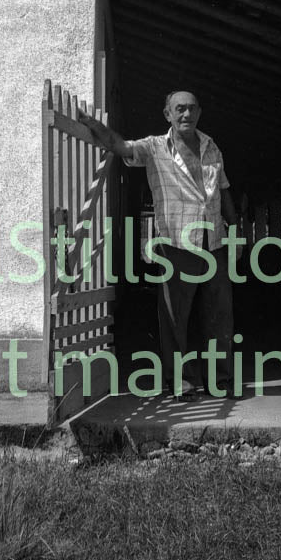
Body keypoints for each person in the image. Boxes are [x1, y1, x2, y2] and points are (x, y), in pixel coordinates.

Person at [78, 91, 238, 401]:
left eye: (192, 108)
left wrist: (237, 231)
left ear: (200, 112)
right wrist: (92, 125)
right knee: (176, 318)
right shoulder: (153, 147)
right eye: (179, 109)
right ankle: (183, 383)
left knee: (219, 317)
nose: (186, 114)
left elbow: (224, 190)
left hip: (214, 243)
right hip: (176, 245)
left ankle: (222, 381)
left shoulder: (211, 146)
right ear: (167, 114)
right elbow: (119, 146)